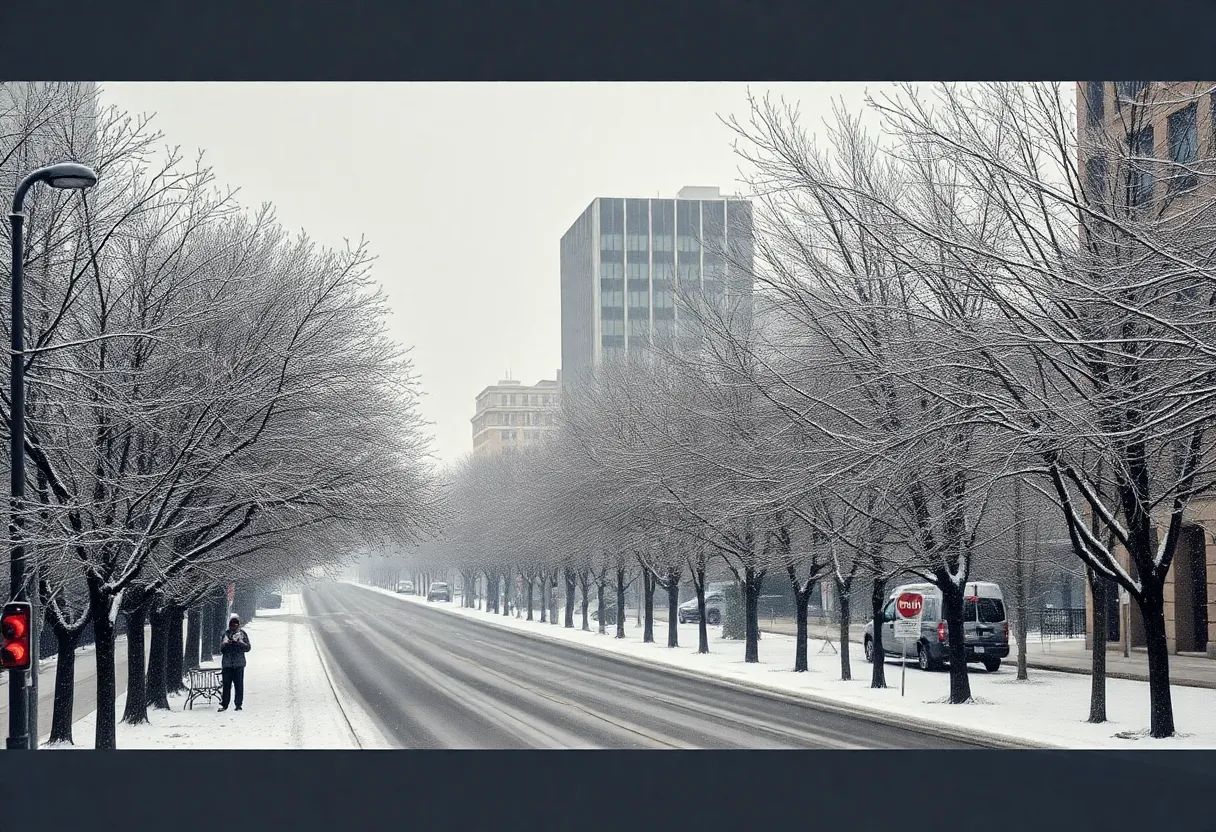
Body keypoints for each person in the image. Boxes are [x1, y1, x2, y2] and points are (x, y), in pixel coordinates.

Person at [218, 612, 252, 712]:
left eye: (236, 624)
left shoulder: (242, 634)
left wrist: (239, 643)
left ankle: (238, 704)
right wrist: (226, 644)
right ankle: (225, 704)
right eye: (232, 625)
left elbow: (248, 648)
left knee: (239, 685)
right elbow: (222, 650)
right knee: (226, 685)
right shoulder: (226, 634)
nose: (234, 626)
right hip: (227, 664)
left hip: (239, 664)